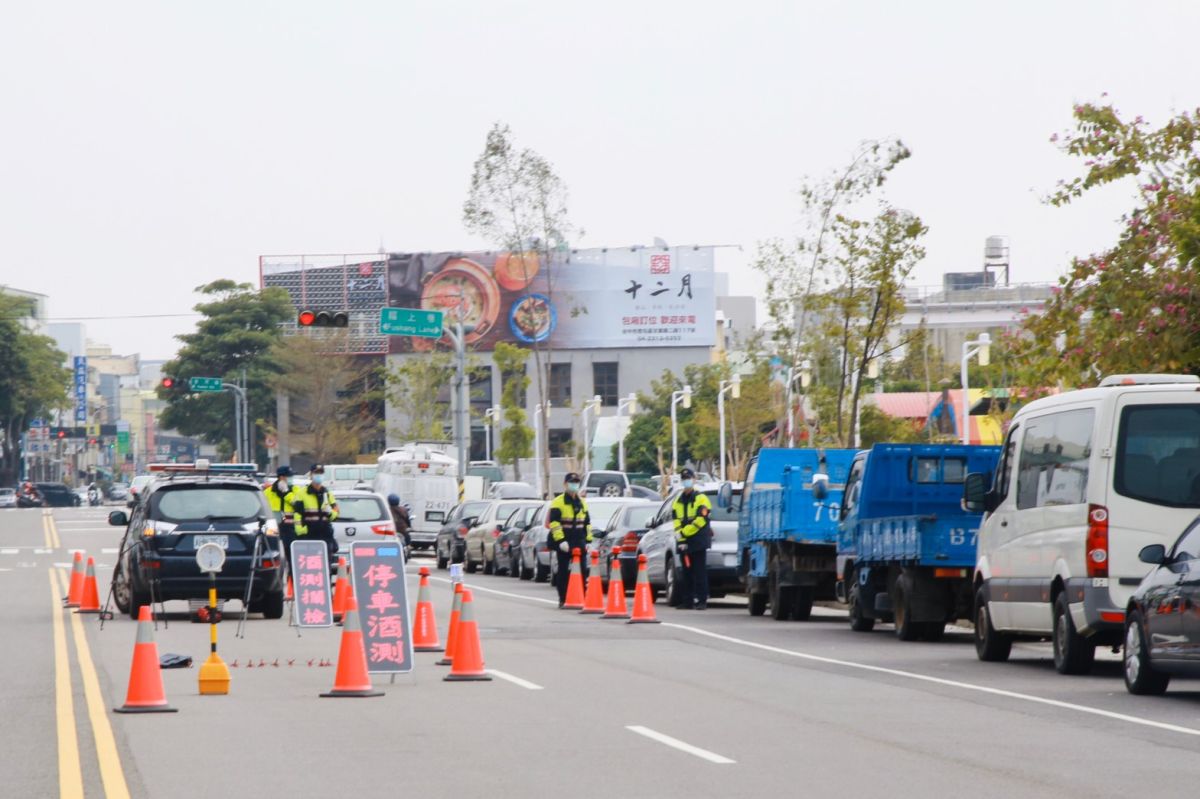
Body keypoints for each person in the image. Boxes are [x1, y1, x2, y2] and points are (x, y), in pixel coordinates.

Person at [548, 472, 592, 608]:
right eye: (572, 482)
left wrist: (589, 541)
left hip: (579, 540)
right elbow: (554, 524)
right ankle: (563, 598)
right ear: (565, 484)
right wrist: (561, 541)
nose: (574, 485)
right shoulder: (558, 502)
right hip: (565, 541)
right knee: (563, 571)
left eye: (576, 482)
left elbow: (587, 523)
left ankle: (581, 597)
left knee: (583, 571)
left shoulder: (582, 503)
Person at [672, 468, 712, 610]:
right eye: (684, 479)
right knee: (686, 572)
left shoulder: (701, 498)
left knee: (699, 571)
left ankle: (702, 600)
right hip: (684, 541)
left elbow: (701, 520)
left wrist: (685, 533)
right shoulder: (678, 500)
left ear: (694, 480)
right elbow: (676, 520)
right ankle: (687, 600)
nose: (686, 481)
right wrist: (680, 537)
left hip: (698, 540)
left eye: (688, 478)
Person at [292, 464, 339, 565]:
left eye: (321, 473)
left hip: (325, 534)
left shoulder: (327, 493)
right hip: (309, 535)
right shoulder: (302, 493)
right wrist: (302, 531)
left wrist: (330, 513)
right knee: (310, 564)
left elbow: (336, 513)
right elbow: (297, 514)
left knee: (326, 564)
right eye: (316, 473)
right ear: (311, 475)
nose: (319, 476)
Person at [265, 466, 299, 568]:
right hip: (274, 531)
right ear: (281, 477)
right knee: (276, 561)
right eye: (289, 476)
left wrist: (286, 493)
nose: (291, 478)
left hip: (291, 531)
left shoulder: (296, 490)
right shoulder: (268, 492)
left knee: (293, 561)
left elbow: (297, 505)